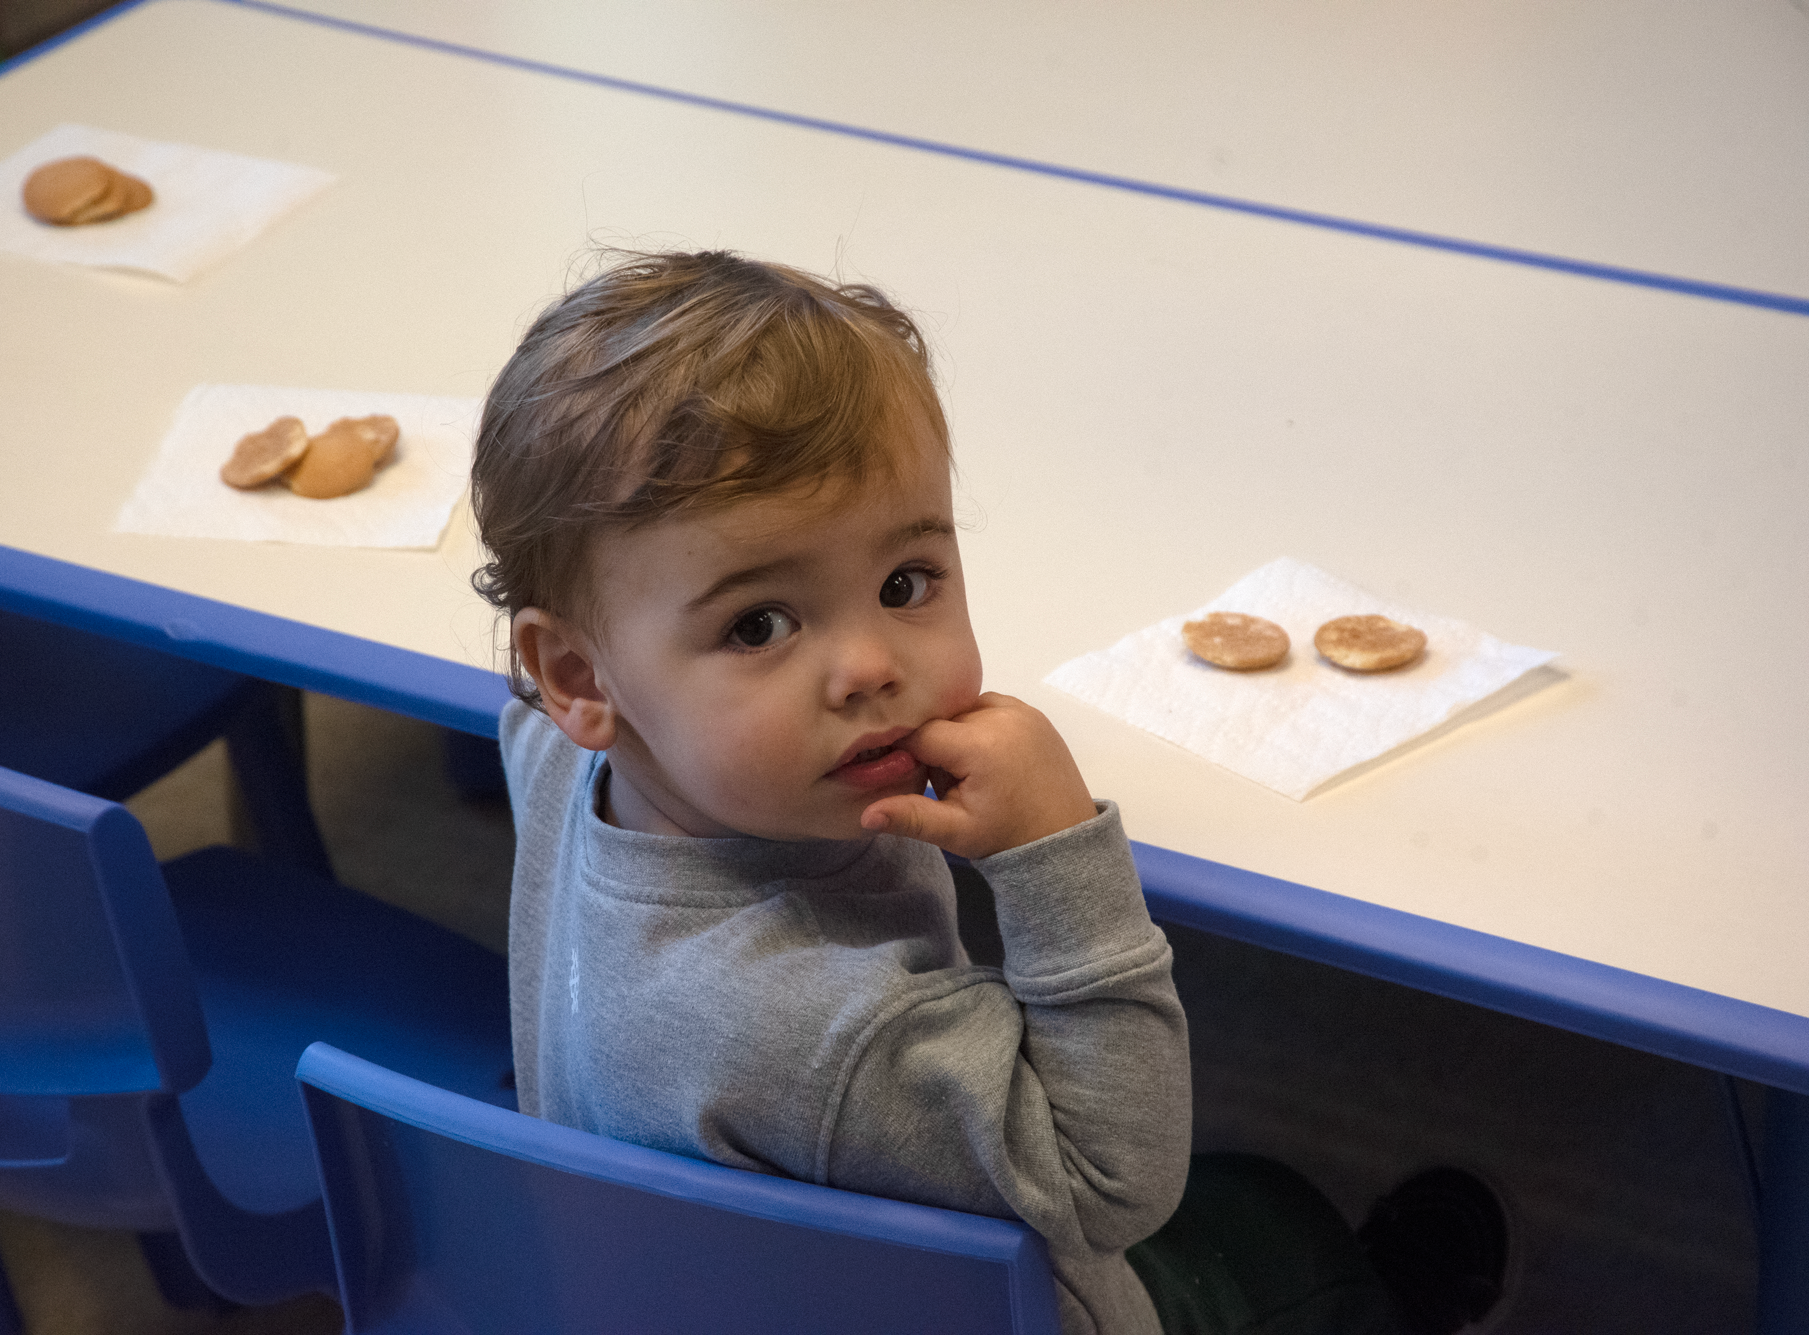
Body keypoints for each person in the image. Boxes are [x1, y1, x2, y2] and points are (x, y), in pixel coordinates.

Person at [470, 249, 1505, 1335]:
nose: (869, 664)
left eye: (904, 583)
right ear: (581, 678)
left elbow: (533, 691)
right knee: (1283, 1227)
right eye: (759, 624)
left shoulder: (568, 753)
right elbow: (1109, 1181)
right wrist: (1056, 850)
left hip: (678, 1284)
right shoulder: (833, 1030)